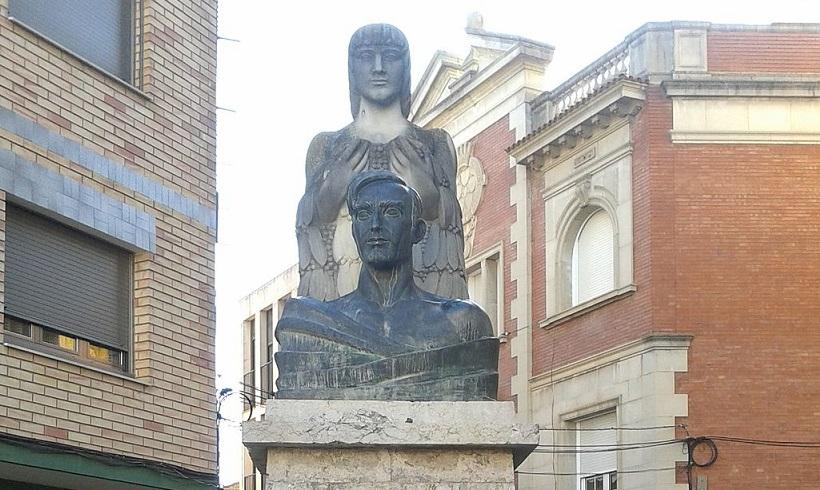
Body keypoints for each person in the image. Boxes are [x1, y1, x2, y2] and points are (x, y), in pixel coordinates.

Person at [277, 172, 498, 401]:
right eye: (363, 214)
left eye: (391, 212)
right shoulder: (307, 323)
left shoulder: (463, 323)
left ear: (417, 231)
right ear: (354, 231)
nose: (375, 225)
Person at [296, 23, 468, 301]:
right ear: (352, 69)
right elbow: (312, 229)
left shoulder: (435, 143)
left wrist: (429, 195)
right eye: (366, 56)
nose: (378, 67)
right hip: (342, 306)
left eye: (390, 56)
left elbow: (448, 230)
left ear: (405, 66)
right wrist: (332, 189)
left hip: (418, 310)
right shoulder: (325, 146)